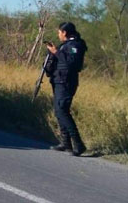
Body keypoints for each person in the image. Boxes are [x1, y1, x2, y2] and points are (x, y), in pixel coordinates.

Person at [44, 21, 88, 156]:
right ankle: (66, 143)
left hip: (66, 82)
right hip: (58, 81)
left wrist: (56, 52)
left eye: (59, 32)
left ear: (64, 32)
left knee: (62, 111)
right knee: (59, 111)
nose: (58, 35)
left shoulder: (75, 45)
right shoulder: (65, 45)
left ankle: (78, 144)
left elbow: (71, 63)